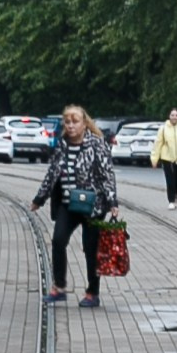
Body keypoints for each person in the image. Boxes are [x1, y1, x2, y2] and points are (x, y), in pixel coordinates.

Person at [32, 105, 117, 308]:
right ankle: (59, 287)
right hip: (68, 204)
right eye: (67, 122)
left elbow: (107, 175)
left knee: (91, 248)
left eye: (75, 122)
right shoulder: (62, 145)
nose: (70, 126)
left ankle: (92, 292)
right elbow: (52, 174)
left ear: (84, 123)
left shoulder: (97, 144)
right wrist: (39, 198)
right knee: (58, 240)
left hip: (93, 205)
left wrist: (113, 202)